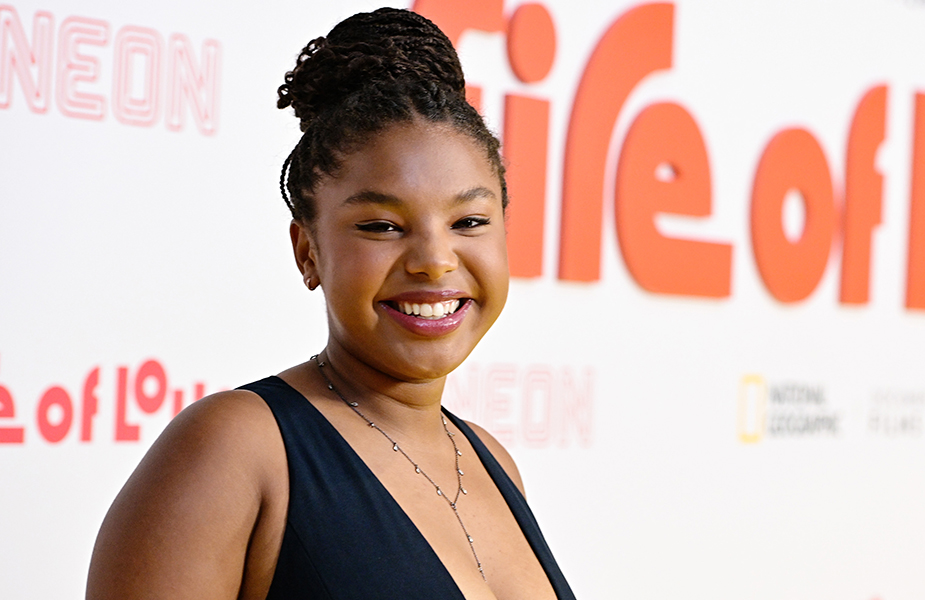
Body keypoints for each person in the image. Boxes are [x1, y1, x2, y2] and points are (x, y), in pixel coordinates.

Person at [86, 8, 574, 600]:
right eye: (381, 226)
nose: (434, 260)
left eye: (469, 220)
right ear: (308, 251)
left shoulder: (491, 460)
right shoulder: (236, 448)